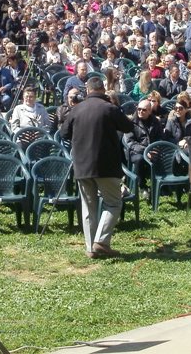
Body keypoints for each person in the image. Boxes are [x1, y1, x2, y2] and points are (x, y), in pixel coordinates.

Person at [60, 77, 133, 259]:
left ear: (88, 89)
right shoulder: (109, 108)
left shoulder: (77, 109)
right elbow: (128, 126)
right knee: (114, 203)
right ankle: (100, 241)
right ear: (103, 89)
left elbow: (64, 133)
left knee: (88, 208)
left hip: (82, 165)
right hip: (106, 166)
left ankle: (91, 248)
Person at [122, 98, 164, 189]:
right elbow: (130, 142)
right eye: (139, 109)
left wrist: (154, 149)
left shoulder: (155, 122)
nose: (140, 111)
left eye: (144, 110)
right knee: (140, 159)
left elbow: (160, 137)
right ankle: (141, 185)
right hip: (134, 152)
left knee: (164, 156)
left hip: (151, 150)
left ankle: (161, 184)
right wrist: (146, 151)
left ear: (149, 111)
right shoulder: (131, 123)